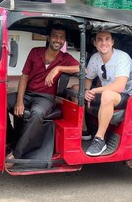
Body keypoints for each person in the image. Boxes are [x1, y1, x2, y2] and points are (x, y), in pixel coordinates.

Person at [6, 24, 79, 168]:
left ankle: (17, 154)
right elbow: (24, 77)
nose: (58, 40)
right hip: (27, 94)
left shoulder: (65, 58)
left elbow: (83, 69)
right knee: (1, 102)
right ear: (48, 37)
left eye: (62, 37)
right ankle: (10, 139)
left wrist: (58, 68)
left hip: (45, 98)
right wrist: (19, 101)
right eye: (55, 36)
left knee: (37, 113)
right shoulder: (35, 52)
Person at [83, 31, 132, 156]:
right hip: (107, 93)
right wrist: (86, 91)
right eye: (100, 39)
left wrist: (94, 90)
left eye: (107, 39)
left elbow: (119, 86)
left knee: (107, 94)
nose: (104, 43)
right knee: (76, 89)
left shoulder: (122, 57)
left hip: (127, 96)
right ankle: (84, 131)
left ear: (112, 42)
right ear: (95, 43)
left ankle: (99, 140)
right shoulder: (95, 58)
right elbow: (88, 78)